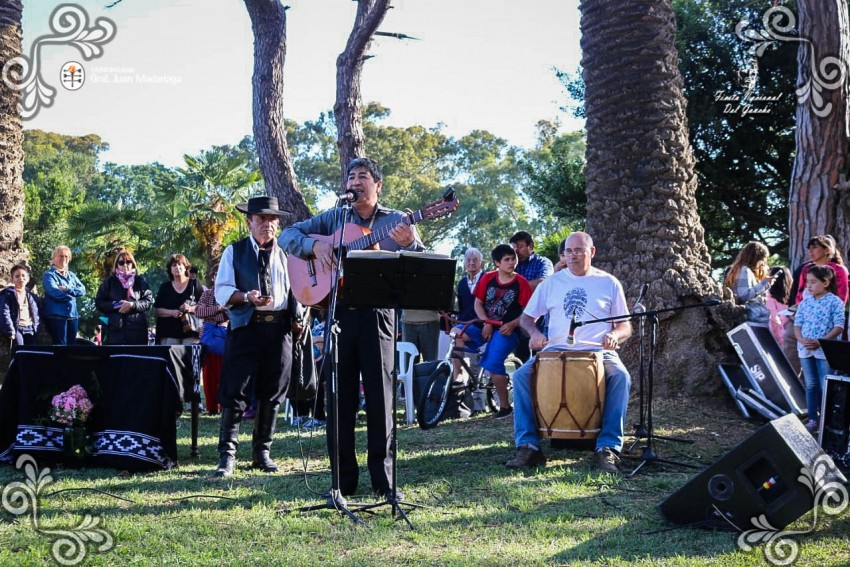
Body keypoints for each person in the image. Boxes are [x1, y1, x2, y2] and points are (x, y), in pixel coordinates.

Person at [279, 157, 423, 500]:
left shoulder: (396, 221)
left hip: (378, 316)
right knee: (339, 398)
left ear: (378, 185)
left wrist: (410, 245)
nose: (355, 181)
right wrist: (316, 246)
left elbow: (418, 265)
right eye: (351, 176)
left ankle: (385, 482)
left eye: (363, 176)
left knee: (381, 400)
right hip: (338, 314)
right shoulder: (335, 217)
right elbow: (288, 235)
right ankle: (342, 482)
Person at [506, 231, 632, 473]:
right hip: (556, 349)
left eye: (579, 251)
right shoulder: (551, 283)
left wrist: (615, 336)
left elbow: (624, 325)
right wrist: (534, 333)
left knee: (620, 377)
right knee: (521, 376)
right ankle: (528, 445)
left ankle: (608, 447)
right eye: (568, 251)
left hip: (598, 350)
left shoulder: (609, 282)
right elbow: (527, 318)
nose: (573, 256)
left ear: (592, 252)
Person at [213, 195, 303, 477]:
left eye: (272, 219)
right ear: (249, 222)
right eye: (262, 218)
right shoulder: (234, 251)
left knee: (273, 391)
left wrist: (298, 317)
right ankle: (227, 456)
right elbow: (221, 291)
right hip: (247, 327)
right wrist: (246, 297)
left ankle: (262, 453)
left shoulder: (286, 254)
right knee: (235, 390)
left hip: (279, 329)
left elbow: (297, 290)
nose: (268, 224)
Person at [452, 244, 533, 418]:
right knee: (456, 332)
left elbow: (529, 312)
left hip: (506, 330)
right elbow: (478, 303)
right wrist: (486, 322)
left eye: (513, 259)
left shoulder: (521, 283)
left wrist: (513, 324)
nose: (512, 262)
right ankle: (458, 376)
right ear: (497, 262)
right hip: (483, 325)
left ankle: (505, 406)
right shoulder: (488, 278)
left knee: (493, 362)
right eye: (507, 259)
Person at [794, 265, 845, 433]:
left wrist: (821, 342)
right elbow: (797, 324)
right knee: (811, 384)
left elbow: (839, 326)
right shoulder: (805, 302)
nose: (809, 286)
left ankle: (826, 420)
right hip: (805, 349)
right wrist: (801, 339)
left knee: (825, 385)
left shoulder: (835, 302)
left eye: (813, 282)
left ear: (825, 282)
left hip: (825, 351)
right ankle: (812, 419)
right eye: (807, 282)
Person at [94, 250, 153, 345]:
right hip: (114, 332)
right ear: (116, 265)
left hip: (137, 331)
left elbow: (148, 302)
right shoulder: (109, 282)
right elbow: (99, 302)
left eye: (128, 262)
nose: (125, 265)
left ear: (133, 264)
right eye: (121, 262)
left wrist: (132, 305)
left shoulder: (140, 281)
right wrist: (116, 305)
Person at [195, 281, 229, 415]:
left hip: (224, 337)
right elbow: (199, 311)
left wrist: (213, 314)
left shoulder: (230, 293)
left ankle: (224, 407)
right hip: (207, 340)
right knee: (208, 377)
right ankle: (211, 408)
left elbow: (230, 312)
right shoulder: (207, 294)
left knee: (224, 376)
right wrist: (218, 309)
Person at [154, 254, 202, 345]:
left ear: (185, 267)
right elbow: (157, 311)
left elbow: (205, 306)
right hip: (169, 333)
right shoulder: (164, 287)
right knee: (169, 354)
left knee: (189, 354)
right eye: (174, 265)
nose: (177, 267)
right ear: (170, 269)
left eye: (180, 264)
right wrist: (172, 312)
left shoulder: (194, 284)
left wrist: (190, 309)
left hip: (192, 332)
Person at [42, 245, 86, 345]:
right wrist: (72, 296)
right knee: (60, 347)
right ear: (53, 258)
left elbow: (82, 290)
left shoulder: (72, 276)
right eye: (61, 256)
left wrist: (67, 289)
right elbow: (54, 292)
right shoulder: (49, 275)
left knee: (72, 348)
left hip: (72, 316)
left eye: (66, 256)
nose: (64, 259)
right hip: (56, 316)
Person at [722, 241, 773, 327]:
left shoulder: (737, 269)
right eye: (762, 260)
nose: (763, 264)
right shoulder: (745, 270)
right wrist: (765, 284)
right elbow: (744, 295)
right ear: (756, 258)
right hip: (753, 317)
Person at [0, 264, 40, 346]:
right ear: (12, 279)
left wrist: (36, 327)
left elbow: (36, 313)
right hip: (17, 328)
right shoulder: (8, 294)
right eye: (17, 276)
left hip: (30, 328)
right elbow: (4, 312)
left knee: (32, 351)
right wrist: (10, 330)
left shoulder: (32, 296)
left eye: (23, 276)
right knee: (19, 350)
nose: (21, 278)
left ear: (28, 278)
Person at [765, 266, 792, 345]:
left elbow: (774, 320)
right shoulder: (793, 296)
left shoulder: (769, 297)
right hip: (794, 336)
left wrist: (781, 340)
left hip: (780, 339)